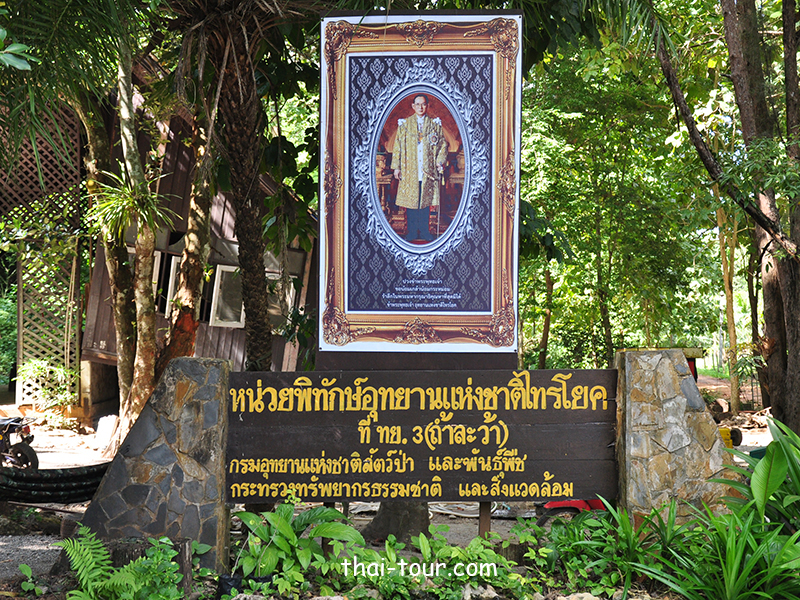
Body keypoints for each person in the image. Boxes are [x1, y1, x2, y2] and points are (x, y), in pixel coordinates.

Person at [392, 94, 448, 242]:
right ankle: (411, 231)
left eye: (423, 104)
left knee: (424, 201)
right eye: (417, 104)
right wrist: (397, 167)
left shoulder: (435, 125)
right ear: (413, 106)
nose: (420, 107)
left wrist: (439, 161)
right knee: (412, 202)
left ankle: (424, 231)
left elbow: (442, 145)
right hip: (410, 168)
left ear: (427, 106)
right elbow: (397, 146)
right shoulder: (404, 125)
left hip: (427, 169)